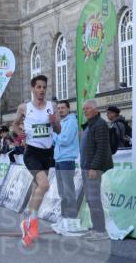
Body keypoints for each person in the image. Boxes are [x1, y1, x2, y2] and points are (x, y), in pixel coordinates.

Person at [12, 75, 62, 247]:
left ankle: (28, 217)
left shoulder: (51, 106)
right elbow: (14, 124)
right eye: (38, 87)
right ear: (33, 89)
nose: (41, 90)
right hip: (31, 152)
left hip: (47, 153)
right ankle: (30, 222)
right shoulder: (24, 107)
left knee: (37, 189)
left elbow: (59, 130)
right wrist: (18, 132)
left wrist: (54, 123)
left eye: (44, 87)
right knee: (44, 185)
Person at [80, 99, 114, 240]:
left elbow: (101, 149)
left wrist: (94, 167)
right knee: (90, 199)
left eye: (87, 108)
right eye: (84, 109)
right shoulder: (90, 125)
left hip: (93, 168)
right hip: (86, 167)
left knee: (94, 199)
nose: (85, 111)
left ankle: (100, 231)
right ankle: (96, 228)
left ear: (95, 109)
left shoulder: (100, 125)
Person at [52, 100, 84, 235]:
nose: (60, 110)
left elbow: (64, 140)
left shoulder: (71, 122)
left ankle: (71, 219)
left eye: (63, 108)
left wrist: (53, 134)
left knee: (68, 191)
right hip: (59, 159)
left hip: (67, 160)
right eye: (58, 108)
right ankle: (65, 218)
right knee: (62, 192)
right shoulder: (62, 123)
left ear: (68, 109)